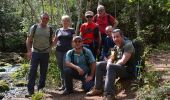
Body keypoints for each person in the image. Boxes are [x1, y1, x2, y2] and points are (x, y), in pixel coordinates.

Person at [86, 29, 135, 100]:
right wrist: (109, 63)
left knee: (111, 66)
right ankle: (97, 88)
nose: (115, 39)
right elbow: (111, 58)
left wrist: (110, 66)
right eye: (114, 37)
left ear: (122, 36)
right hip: (117, 68)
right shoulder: (115, 47)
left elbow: (123, 61)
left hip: (128, 71)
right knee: (99, 64)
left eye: (117, 36)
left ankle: (109, 94)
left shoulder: (128, 45)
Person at [26, 13, 54, 96]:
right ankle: (31, 91)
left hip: (45, 53)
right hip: (35, 52)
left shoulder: (50, 29)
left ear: (48, 19)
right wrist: (29, 51)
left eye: (47, 18)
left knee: (43, 72)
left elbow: (52, 41)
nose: (45, 20)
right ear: (40, 18)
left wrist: (50, 48)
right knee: (32, 71)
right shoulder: (34, 27)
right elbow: (29, 40)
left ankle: (40, 89)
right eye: (43, 18)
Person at [53, 15, 75, 91]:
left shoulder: (72, 30)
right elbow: (55, 41)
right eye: (64, 20)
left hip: (68, 51)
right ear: (61, 22)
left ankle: (67, 86)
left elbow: (74, 41)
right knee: (61, 68)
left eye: (67, 20)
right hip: (58, 51)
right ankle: (63, 85)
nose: (65, 22)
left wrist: (75, 50)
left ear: (69, 22)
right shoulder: (58, 30)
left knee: (66, 67)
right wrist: (48, 47)